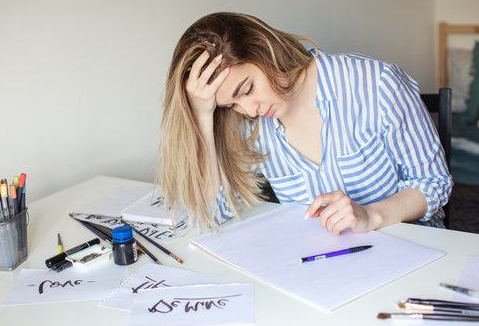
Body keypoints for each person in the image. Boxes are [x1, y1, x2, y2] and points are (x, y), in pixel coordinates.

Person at [158, 12, 452, 234]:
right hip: (323, 268)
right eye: (231, 104)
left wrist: (370, 215)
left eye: (246, 89)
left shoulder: (377, 84)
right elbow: (214, 211)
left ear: (263, 51)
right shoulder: (251, 126)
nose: (248, 110)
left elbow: (434, 183)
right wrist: (202, 114)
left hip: (408, 250)